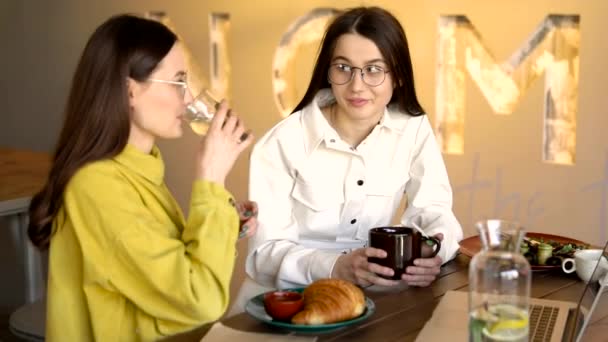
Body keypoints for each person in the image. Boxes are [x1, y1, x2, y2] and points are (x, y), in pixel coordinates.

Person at [27, 14, 257, 341]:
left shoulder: (138, 169)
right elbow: (197, 300)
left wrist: (222, 224)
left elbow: (162, 270)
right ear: (130, 90)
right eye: (179, 81)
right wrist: (211, 179)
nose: (190, 98)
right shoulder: (97, 186)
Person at [234, 6, 463, 310]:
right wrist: (336, 266)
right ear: (327, 72)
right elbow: (264, 254)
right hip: (285, 303)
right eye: (343, 67)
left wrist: (432, 250)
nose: (357, 86)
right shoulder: (282, 142)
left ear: (398, 77)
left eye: (373, 69)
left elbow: (435, 212)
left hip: (369, 300)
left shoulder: (412, 128)